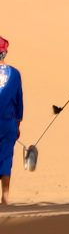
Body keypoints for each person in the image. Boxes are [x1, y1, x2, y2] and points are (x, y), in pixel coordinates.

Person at [0, 36, 23, 205]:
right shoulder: (14, 73)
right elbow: (18, 101)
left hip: (8, 122)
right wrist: (17, 123)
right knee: (6, 158)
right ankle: (5, 196)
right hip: (8, 123)